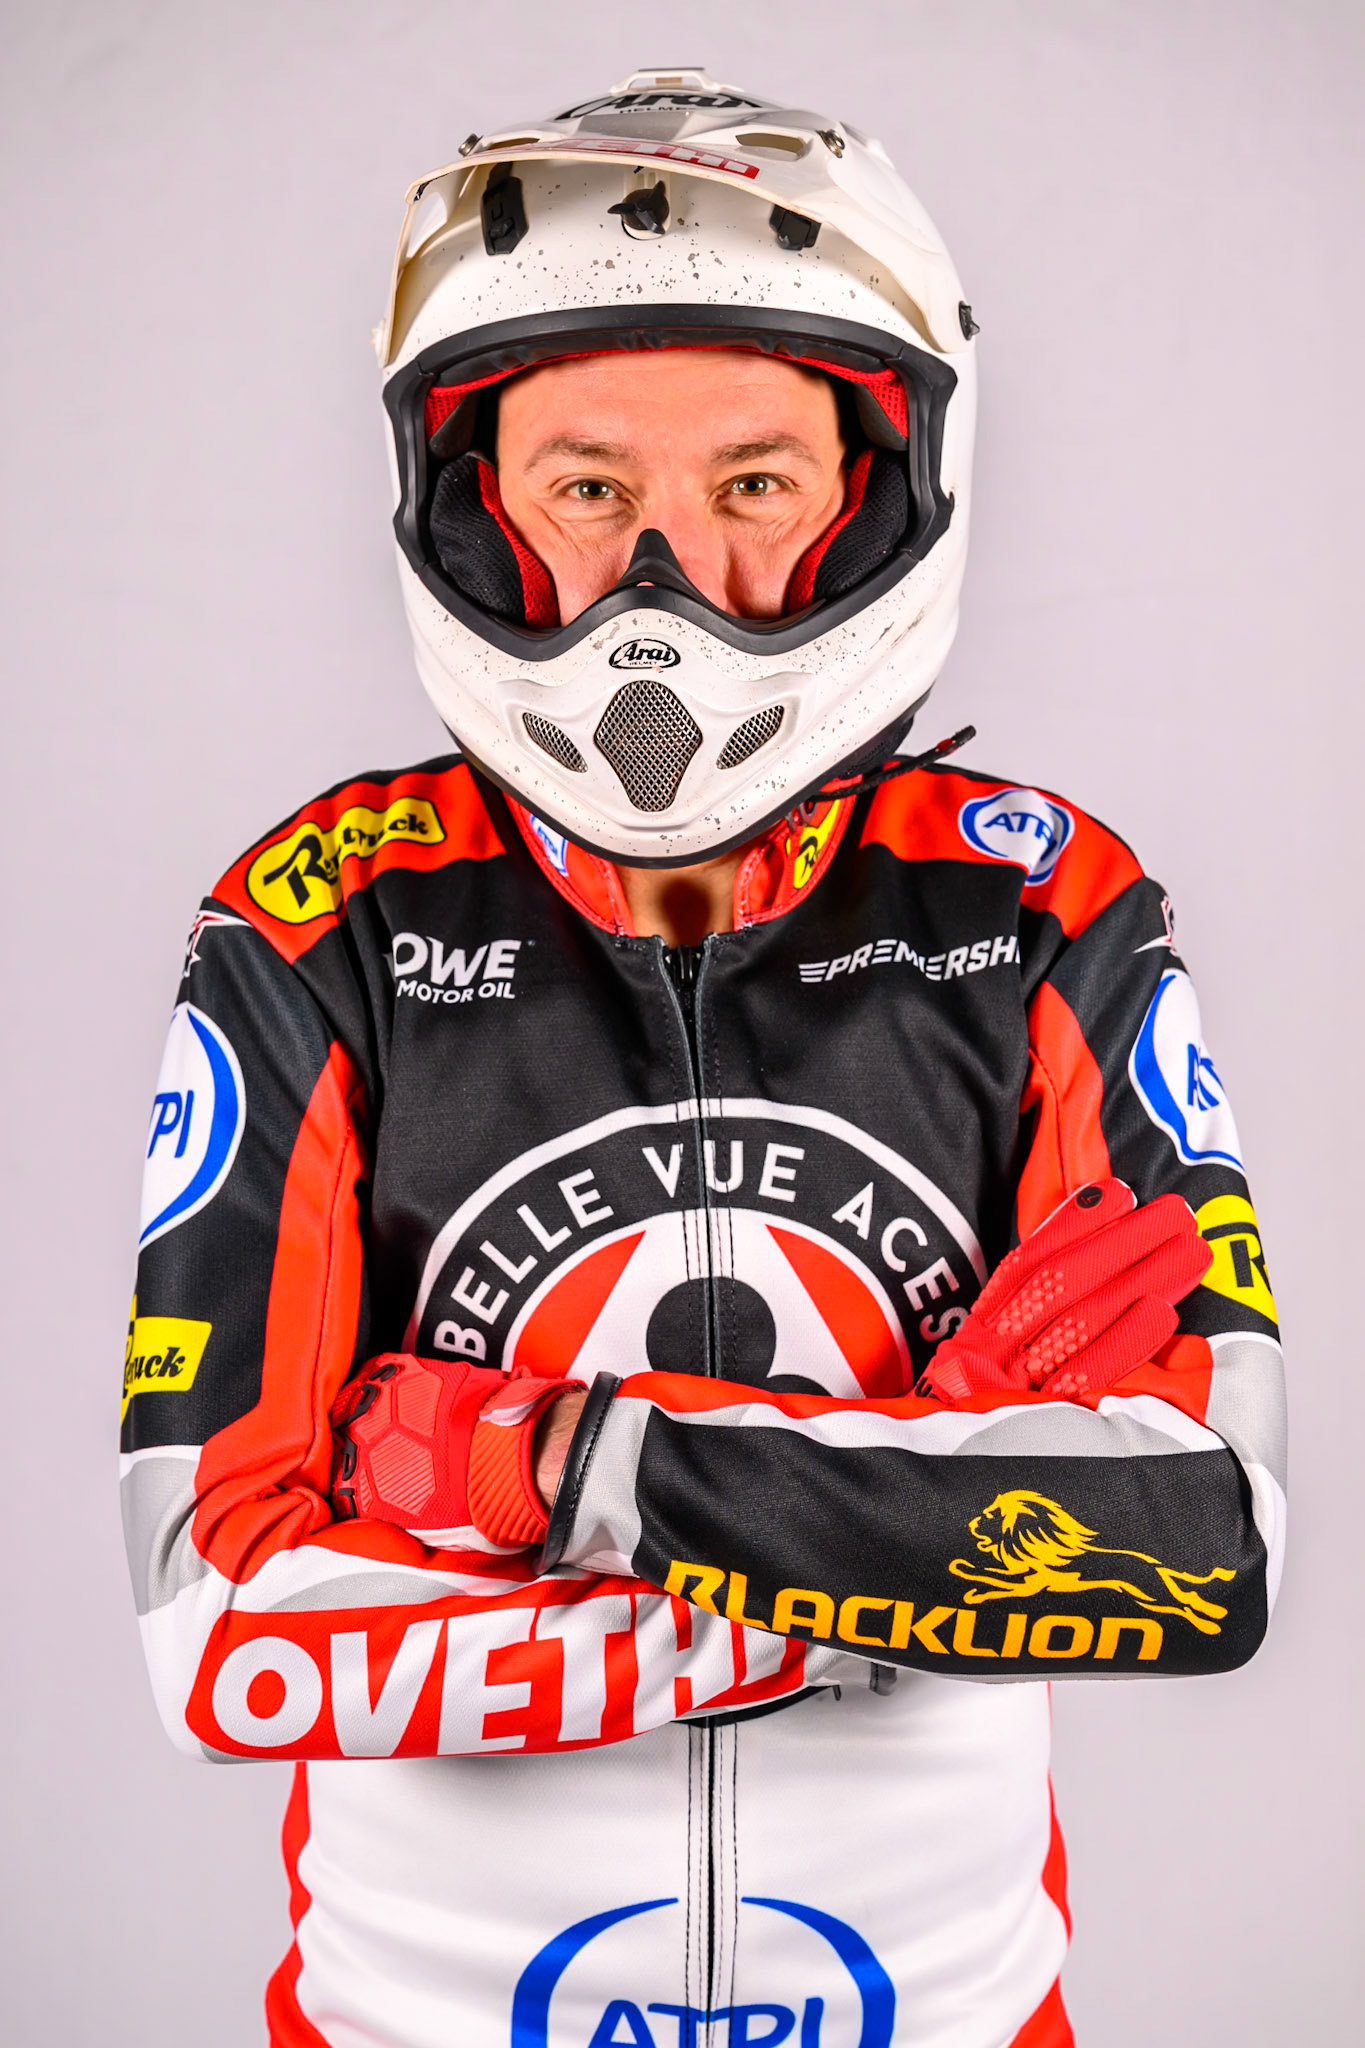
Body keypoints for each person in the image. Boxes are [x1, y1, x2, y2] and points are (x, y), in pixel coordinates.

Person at [122, 68, 1286, 2048]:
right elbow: (222, 1640)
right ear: (476, 503)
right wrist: (899, 1514)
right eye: (588, 486)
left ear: (879, 490)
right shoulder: (322, 920)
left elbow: (1197, 1556)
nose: (661, 589)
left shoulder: (1038, 914)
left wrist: (553, 1462)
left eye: (751, 481)